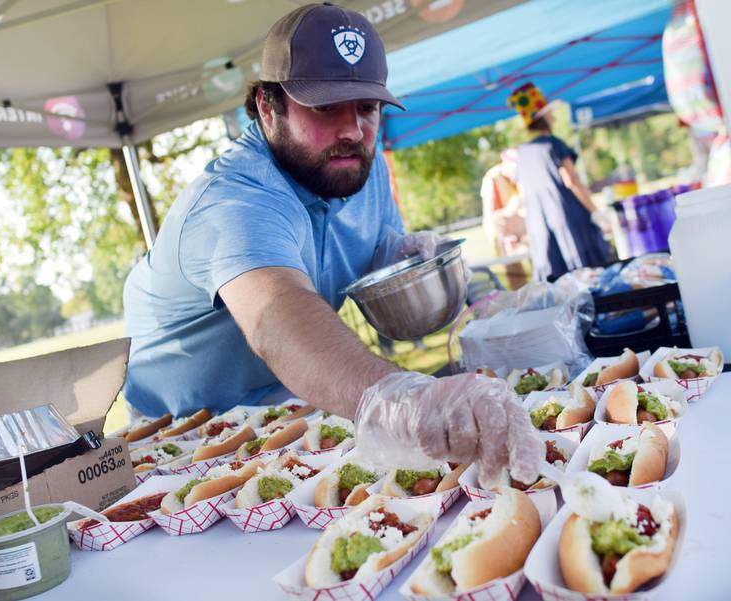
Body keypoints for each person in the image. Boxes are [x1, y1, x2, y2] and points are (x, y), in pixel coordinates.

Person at [122, 3, 541, 485]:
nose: (351, 132)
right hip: (184, 442)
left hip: (295, 412)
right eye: (324, 108)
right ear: (267, 107)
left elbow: (376, 267)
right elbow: (278, 315)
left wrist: (415, 265)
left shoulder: (361, 164)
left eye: (366, 108)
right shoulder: (234, 201)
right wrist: (404, 396)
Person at [508, 82, 611, 281]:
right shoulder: (553, 144)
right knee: (589, 279)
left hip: (540, 228)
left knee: (559, 286)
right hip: (570, 220)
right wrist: (596, 212)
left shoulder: (521, 154)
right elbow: (571, 180)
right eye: (550, 114)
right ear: (544, 118)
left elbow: (521, 194)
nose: (553, 117)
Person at [479, 148, 528, 289]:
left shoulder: (519, 175)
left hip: (523, 229)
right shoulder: (492, 178)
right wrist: (509, 211)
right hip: (504, 233)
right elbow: (490, 214)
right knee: (516, 275)